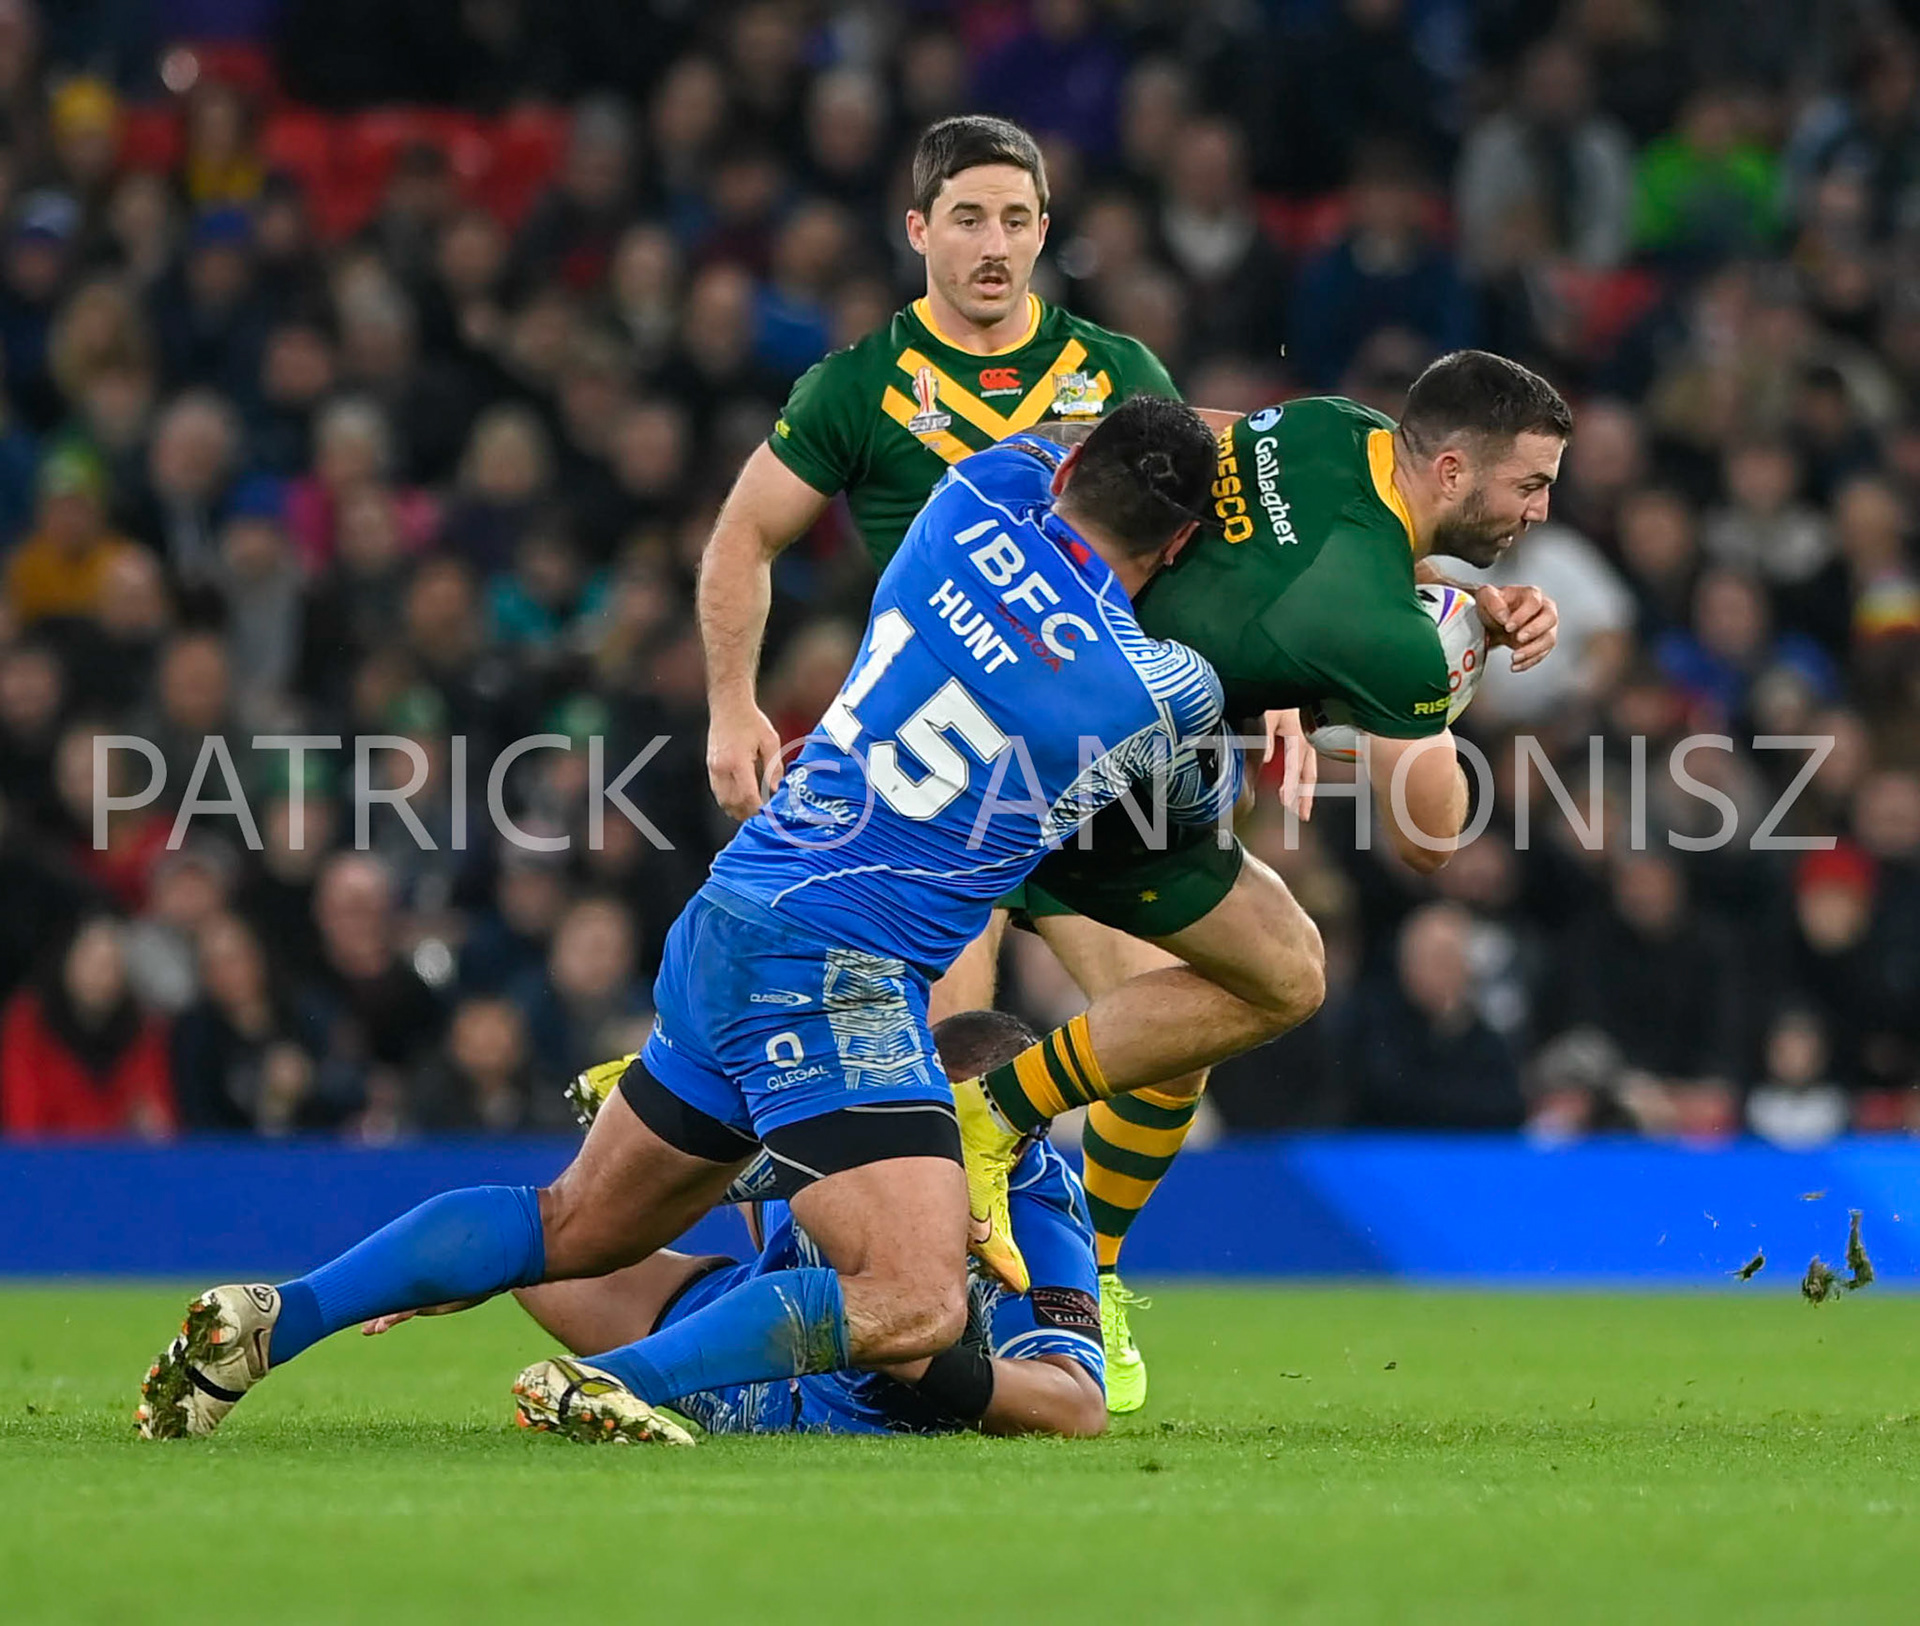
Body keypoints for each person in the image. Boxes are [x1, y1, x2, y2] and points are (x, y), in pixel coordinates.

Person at [135, 391, 1240, 1445]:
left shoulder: (973, 493)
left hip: (737, 906)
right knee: (913, 1298)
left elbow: (1053, 435)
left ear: (1074, 469)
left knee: (572, 1225)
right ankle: (613, 1386)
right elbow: (1192, 827)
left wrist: (1170, 436)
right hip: (838, 965)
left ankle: (277, 1313)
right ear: (1182, 545)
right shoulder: (1158, 685)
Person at [697, 114, 1566, 1412]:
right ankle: (854, 1301)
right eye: (970, 218)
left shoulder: (1173, 384)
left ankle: (1072, 1277)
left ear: (1046, 233)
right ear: (919, 230)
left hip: (1105, 751)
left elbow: (1245, 511)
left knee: (1174, 1035)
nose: (994, 245)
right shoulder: (859, 387)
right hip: (977, 758)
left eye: (1016, 219)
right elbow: (741, 542)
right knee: (935, 1049)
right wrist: (729, 705)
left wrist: (1314, 663)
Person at [368, 1012, 1107, 1440]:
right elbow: (611, 1206)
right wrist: (493, 1265)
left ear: (1013, 1135)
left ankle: (606, 1383)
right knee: (538, 1244)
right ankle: (331, 1300)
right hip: (730, 1327)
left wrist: (907, 1348)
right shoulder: (867, 1123)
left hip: (844, 1412)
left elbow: (1076, 1405)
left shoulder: (1039, 1216)